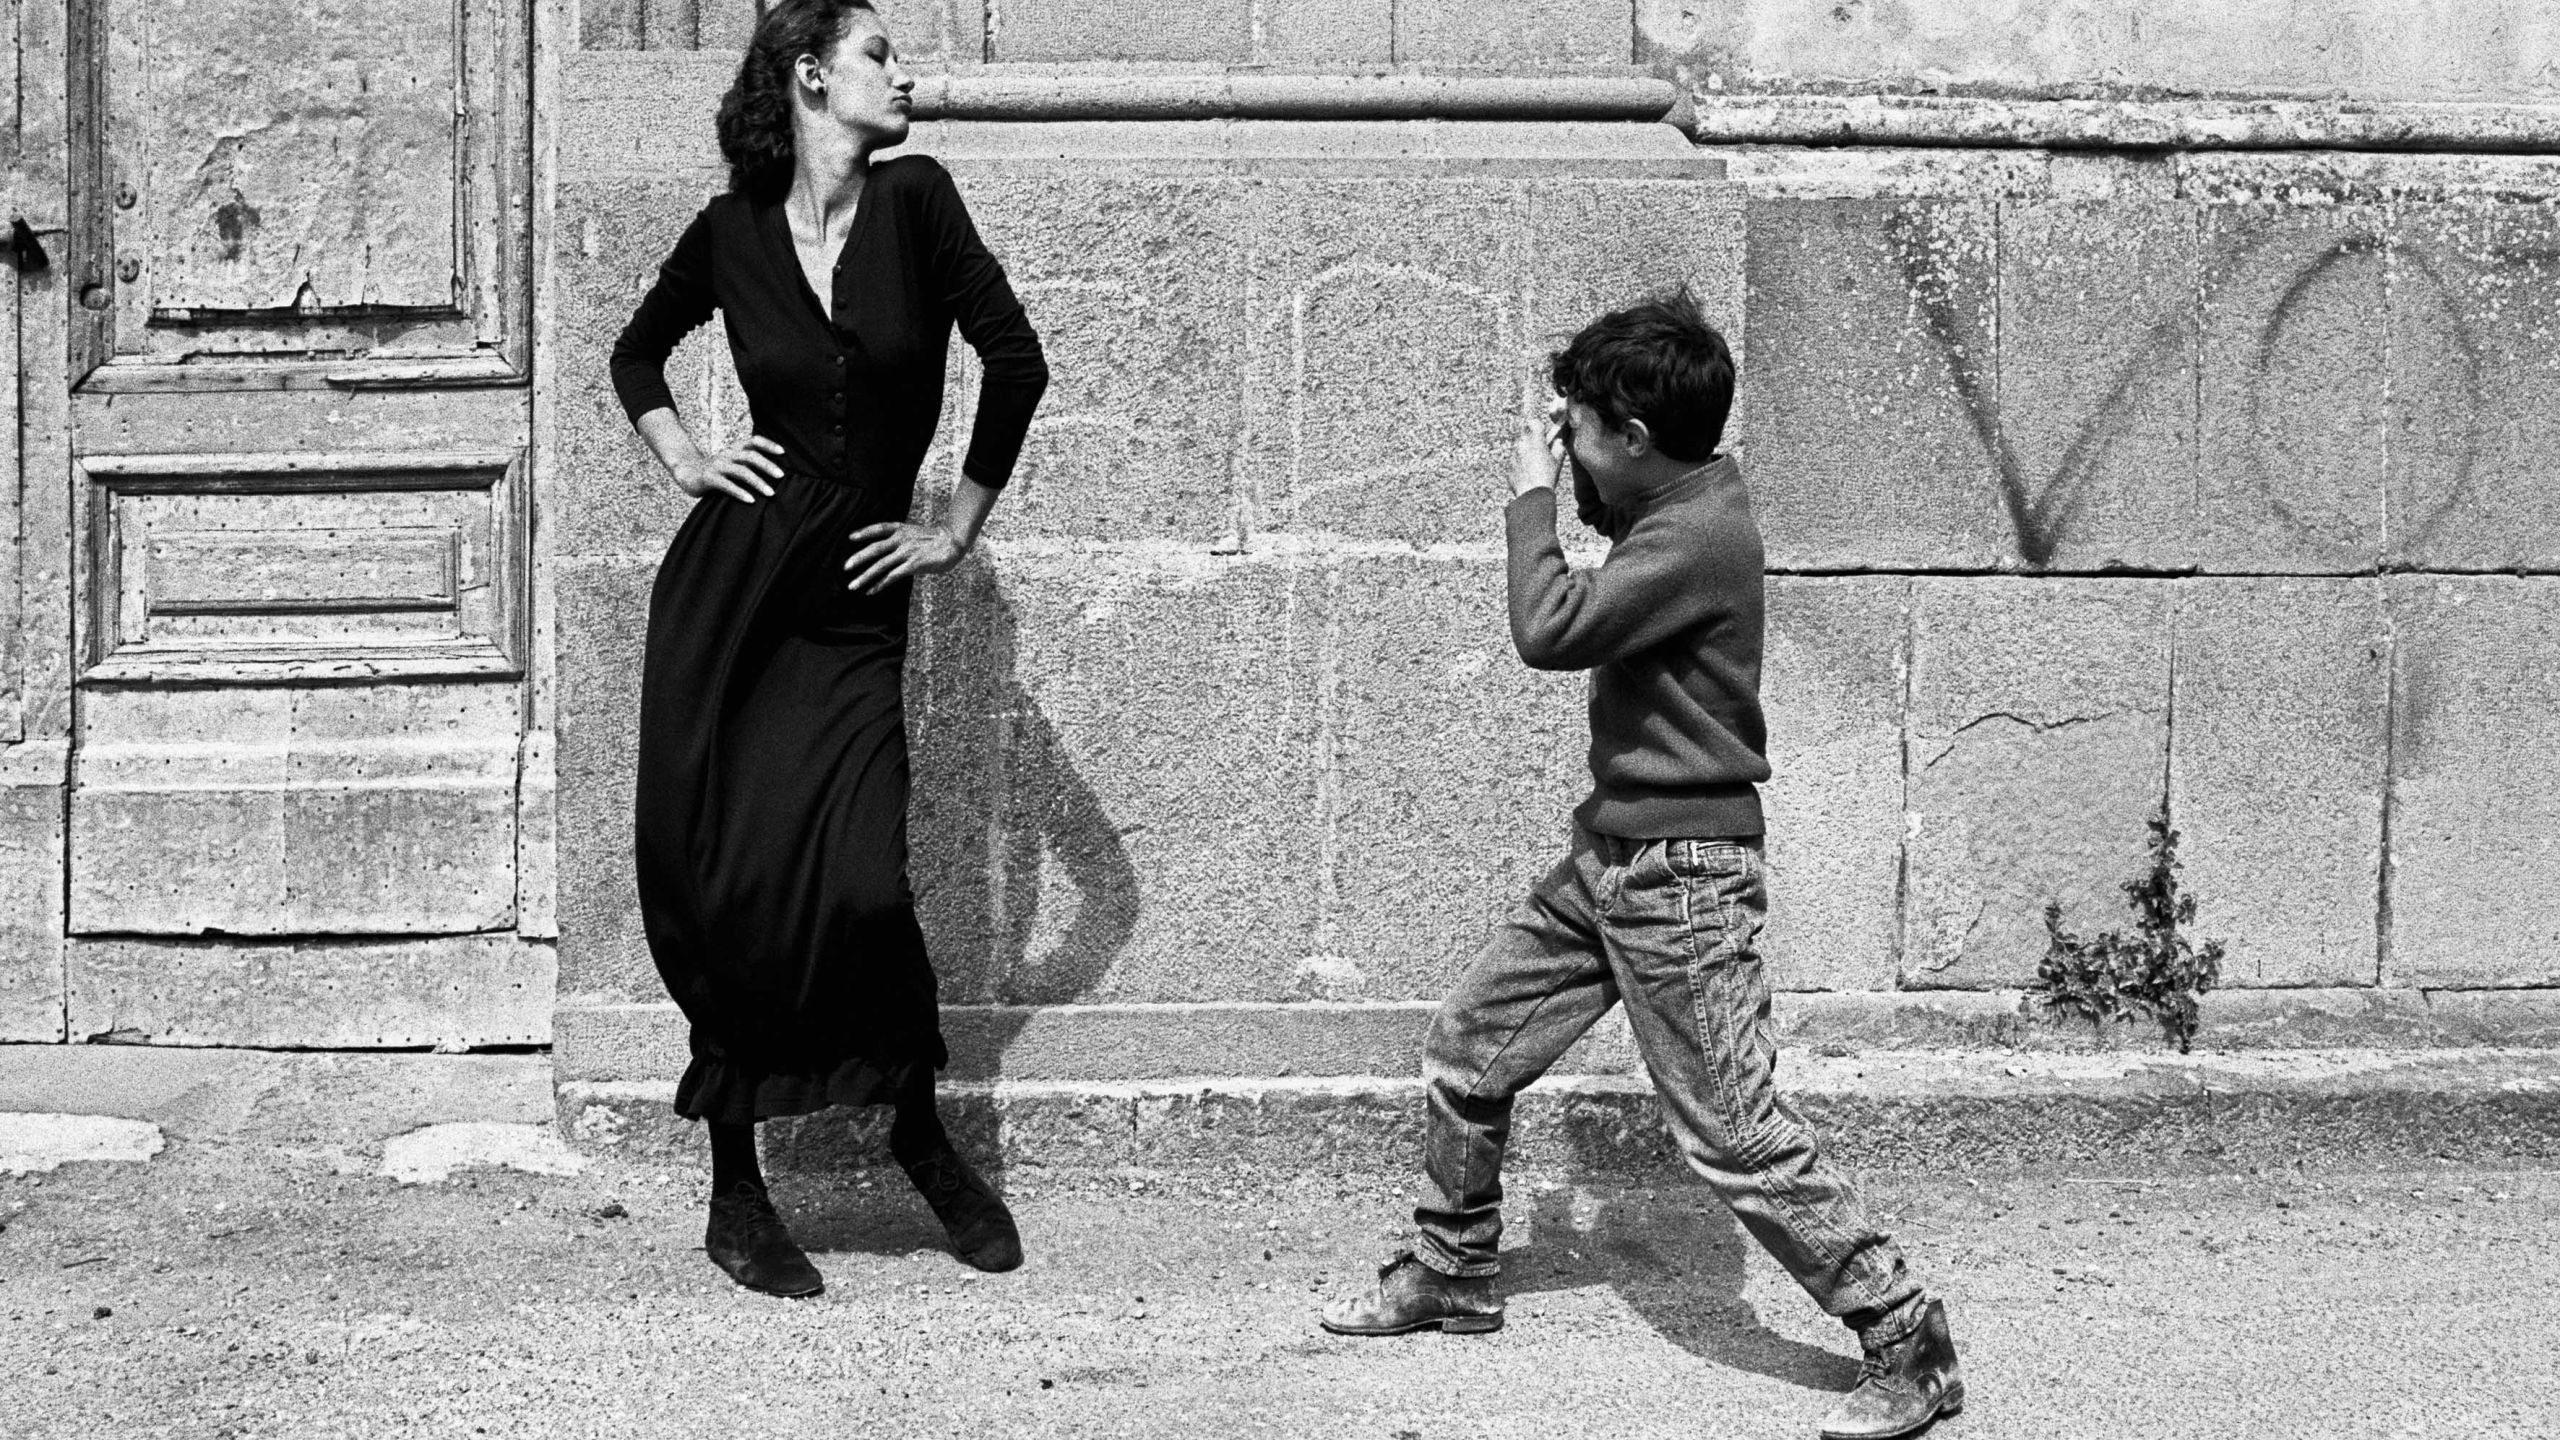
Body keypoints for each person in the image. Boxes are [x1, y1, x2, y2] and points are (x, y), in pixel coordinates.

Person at [1319, 288, 1963, 1440]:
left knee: (1733, 1132)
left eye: (1578, 430)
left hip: (1681, 878)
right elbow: (1602, 531)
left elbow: (1549, 629)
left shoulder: (1697, 536)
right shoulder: (1673, 501)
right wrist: (1570, 458)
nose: (1564, 446)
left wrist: (1528, 492)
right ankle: (1453, 1269)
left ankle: (1904, 1335)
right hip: (1610, 859)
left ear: (1632, 436)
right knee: (1469, 1048)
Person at [607, 0, 1047, 1298]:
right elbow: (637, 353)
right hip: (733, 597)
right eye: (878, 55)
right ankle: (735, 1191)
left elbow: (1016, 362)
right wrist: (688, 458)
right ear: (810, 76)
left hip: (851, 601)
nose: (904, 75)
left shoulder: (919, 202)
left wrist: (954, 528)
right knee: (734, 885)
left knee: (861, 883)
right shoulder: (733, 227)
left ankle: (916, 1133)